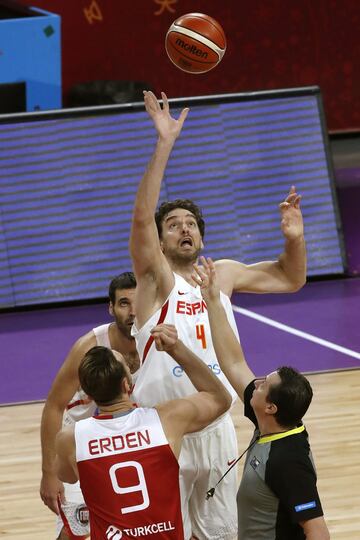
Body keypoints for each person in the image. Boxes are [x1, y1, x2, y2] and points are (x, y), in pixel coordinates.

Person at [129, 91, 306, 540]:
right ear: (161, 240)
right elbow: (139, 223)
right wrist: (164, 142)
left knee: (224, 534)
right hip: (165, 427)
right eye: (173, 224)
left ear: (202, 240)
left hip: (217, 429)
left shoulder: (220, 275)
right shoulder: (154, 280)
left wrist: (294, 239)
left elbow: (290, 279)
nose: (184, 228)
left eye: (191, 224)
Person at [192, 256, 330, 540]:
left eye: (264, 384)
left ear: (270, 406)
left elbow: (317, 532)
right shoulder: (271, 423)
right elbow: (233, 362)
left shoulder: (289, 461)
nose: (256, 382)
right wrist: (213, 302)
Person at [55, 324, 232, 540]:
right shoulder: (166, 420)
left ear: (89, 394)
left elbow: (65, 476)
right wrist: (177, 349)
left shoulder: (71, 438)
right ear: (127, 384)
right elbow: (220, 399)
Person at [40, 272, 139, 540]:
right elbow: (53, 406)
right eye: (124, 303)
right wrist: (49, 473)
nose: (133, 311)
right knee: (75, 531)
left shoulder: (159, 339)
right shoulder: (88, 347)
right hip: (77, 440)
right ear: (111, 307)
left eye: (138, 302)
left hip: (127, 437)